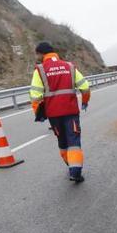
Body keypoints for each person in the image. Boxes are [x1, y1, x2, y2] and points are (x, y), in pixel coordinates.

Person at [29, 42, 91, 182]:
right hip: (71, 111)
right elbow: (85, 88)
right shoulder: (69, 66)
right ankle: (75, 172)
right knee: (74, 141)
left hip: (54, 114)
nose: (36, 56)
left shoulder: (39, 70)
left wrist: (39, 114)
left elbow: (35, 96)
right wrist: (85, 101)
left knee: (62, 141)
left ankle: (71, 165)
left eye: (37, 54)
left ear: (41, 54)